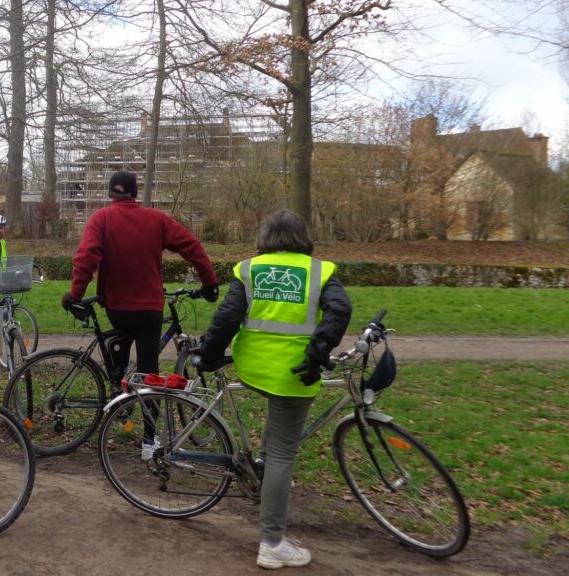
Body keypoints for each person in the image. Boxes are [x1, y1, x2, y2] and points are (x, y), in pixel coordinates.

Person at [195, 209, 352, 570]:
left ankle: (263, 470)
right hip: (293, 372)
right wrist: (318, 351)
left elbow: (226, 317)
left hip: (254, 366)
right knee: (284, 453)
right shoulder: (319, 270)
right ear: (302, 236)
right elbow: (339, 310)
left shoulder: (249, 269)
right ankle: (272, 543)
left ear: (265, 237)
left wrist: (210, 355)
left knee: (276, 435)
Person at [63, 170, 220, 406]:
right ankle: (149, 426)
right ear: (135, 194)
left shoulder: (101, 218)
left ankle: (118, 394)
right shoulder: (157, 219)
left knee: (120, 357)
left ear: (110, 193)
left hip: (117, 307)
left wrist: (75, 294)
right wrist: (209, 284)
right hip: (149, 309)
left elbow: (86, 258)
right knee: (149, 374)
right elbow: (193, 247)